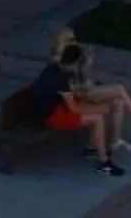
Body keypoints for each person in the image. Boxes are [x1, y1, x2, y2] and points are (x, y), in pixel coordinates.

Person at [23, 36, 122, 175]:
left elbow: (76, 94)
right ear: (74, 63)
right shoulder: (61, 80)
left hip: (54, 106)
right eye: (79, 64)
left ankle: (92, 148)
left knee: (94, 107)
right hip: (50, 116)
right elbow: (74, 108)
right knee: (97, 118)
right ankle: (103, 163)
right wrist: (99, 109)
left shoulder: (56, 68)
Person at [60, 38, 131, 143]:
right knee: (119, 89)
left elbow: (86, 82)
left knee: (119, 101)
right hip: (83, 96)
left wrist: (87, 74)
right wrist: (84, 86)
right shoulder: (66, 69)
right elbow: (73, 91)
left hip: (88, 93)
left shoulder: (79, 68)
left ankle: (116, 139)